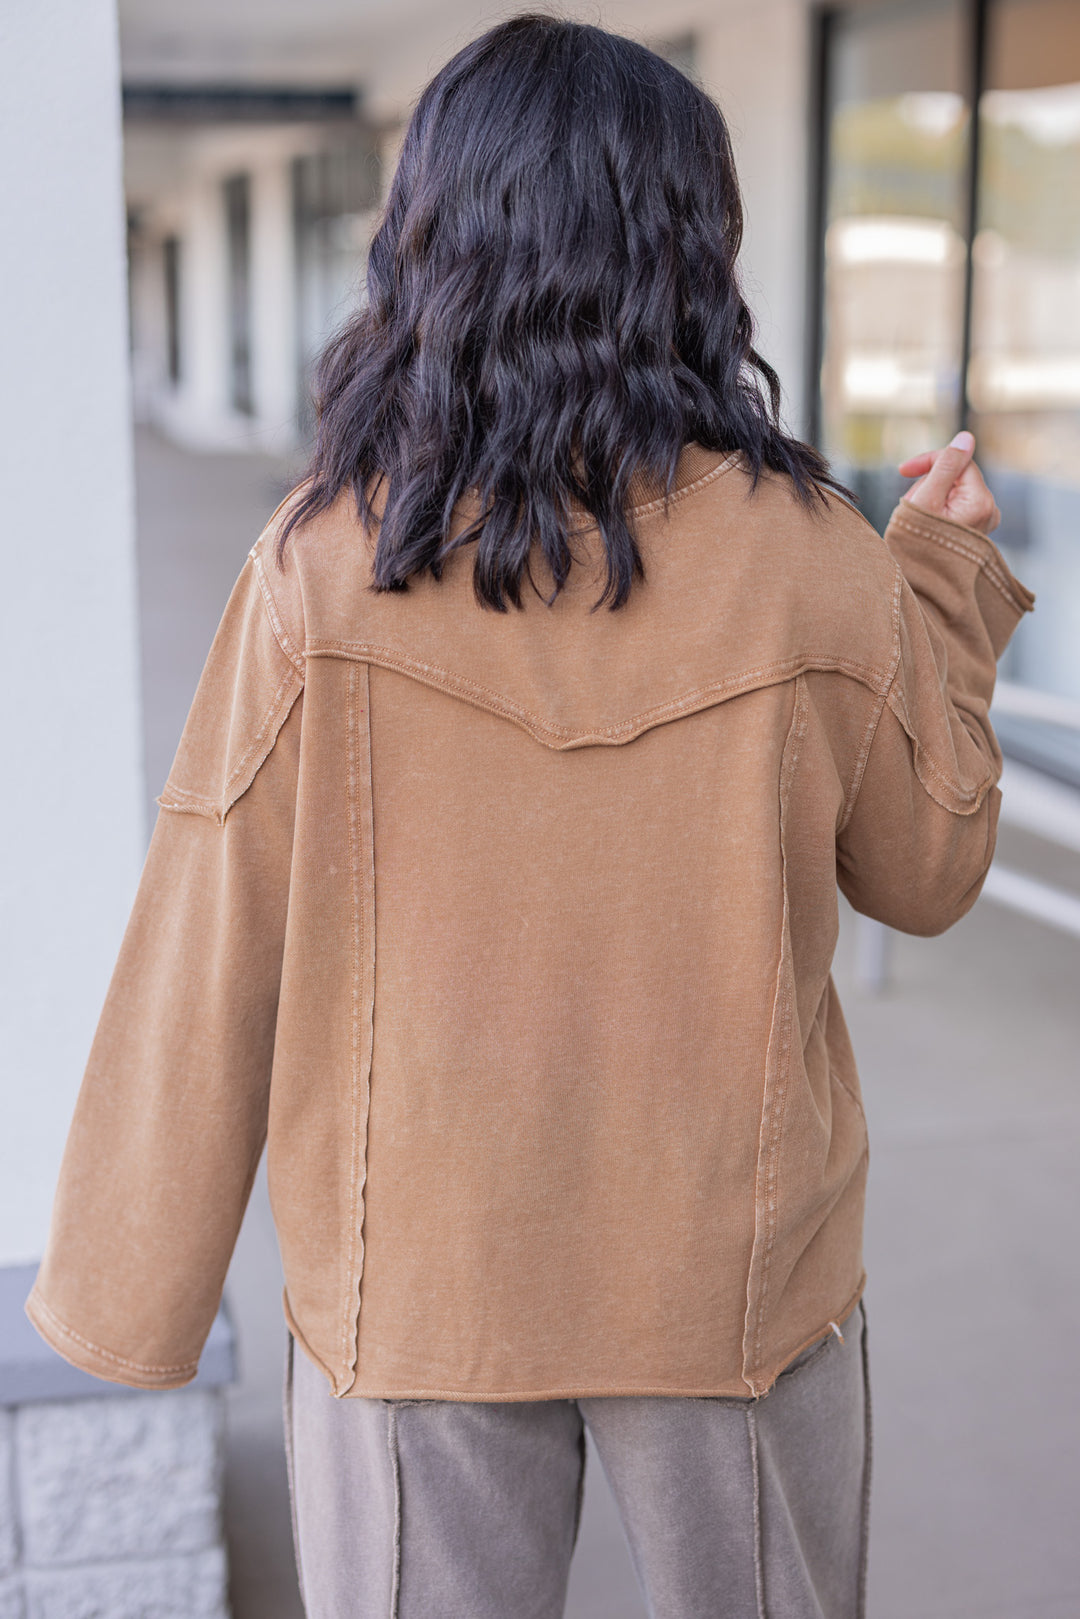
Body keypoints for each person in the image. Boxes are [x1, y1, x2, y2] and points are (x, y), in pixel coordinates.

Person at [26, 15, 1032, 1619]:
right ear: (696, 251)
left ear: (426, 240)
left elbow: (209, 938)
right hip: (737, 1273)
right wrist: (945, 578)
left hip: (413, 1274)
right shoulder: (816, 557)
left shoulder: (321, 564)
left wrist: (125, 1301)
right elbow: (929, 870)